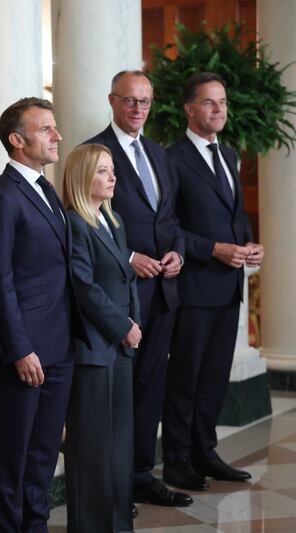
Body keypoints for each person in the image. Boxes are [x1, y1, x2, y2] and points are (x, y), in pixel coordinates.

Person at [83, 70, 191, 508]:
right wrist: (127, 257)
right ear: (112, 101)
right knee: (117, 395)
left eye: (144, 102)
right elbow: (84, 220)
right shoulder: (93, 152)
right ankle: (113, 485)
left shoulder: (157, 153)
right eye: (129, 101)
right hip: (120, 297)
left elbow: (171, 219)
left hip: (163, 293)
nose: (138, 109)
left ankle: (142, 474)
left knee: (150, 390)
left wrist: (179, 253)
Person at [0, 97, 83, 532]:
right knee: (12, 455)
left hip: (59, 344)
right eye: (46, 130)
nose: (57, 136)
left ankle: (34, 526)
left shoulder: (46, 188)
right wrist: (19, 349)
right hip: (25, 351)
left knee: (42, 455)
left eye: (55, 128)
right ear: (17, 140)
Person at [163, 72, 263, 490]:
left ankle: (205, 451)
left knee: (215, 376)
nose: (219, 109)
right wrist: (215, 249)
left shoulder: (229, 154)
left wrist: (247, 243)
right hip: (193, 285)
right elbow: (168, 228)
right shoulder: (171, 158)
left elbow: (234, 214)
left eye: (222, 102)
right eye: (209, 102)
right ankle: (176, 460)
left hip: (228, 286)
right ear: (189, 109)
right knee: (186, 376)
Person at [61, 143, 140, 532]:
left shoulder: (114, 220)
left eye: (112, 171)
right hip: (94, 350)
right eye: (103, 171)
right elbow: (84, 286)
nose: (112, 177)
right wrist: (123, 326)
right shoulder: (75, 223)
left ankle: (118, 523)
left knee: (119, 445)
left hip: (121, 348)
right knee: (92, 449)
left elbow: (126, 280)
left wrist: (133, 325)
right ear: (82, 177)